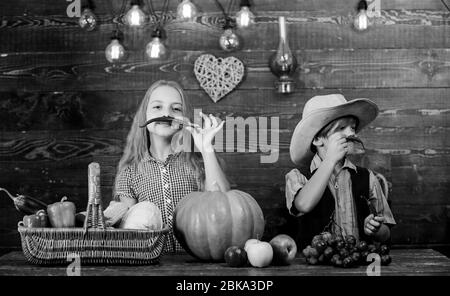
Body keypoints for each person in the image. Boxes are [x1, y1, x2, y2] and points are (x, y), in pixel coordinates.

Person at [113, 80, 230, 253]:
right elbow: (129, 232)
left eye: (176, 109)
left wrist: (207, 149)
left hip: (197, 264)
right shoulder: (129, 173)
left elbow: (225, 207)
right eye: (157, 107)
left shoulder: (199, 164)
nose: (166, 113)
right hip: (152, 264)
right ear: (144, 115)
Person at [285, 94, 395, 248]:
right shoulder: (298, 177)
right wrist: (330, 160)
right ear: (317, 139)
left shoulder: (368, 178)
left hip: (357, 264)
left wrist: (376, 229)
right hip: (314, 269)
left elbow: (386, 234)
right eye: (342, 128)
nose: (352, 134)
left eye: (353, 127)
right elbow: (303, 205)